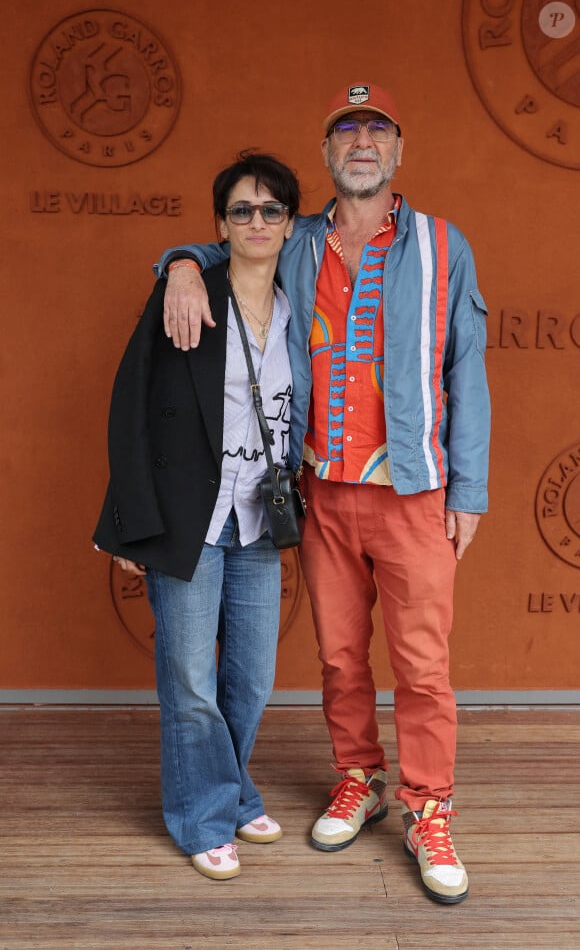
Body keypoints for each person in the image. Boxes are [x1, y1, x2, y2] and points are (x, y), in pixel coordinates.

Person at [152, 82, 491, 904]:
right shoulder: (296, 240)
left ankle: (428, 806)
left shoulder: (445, 246)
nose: (363, 143)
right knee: (339, 656)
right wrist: (178, 268)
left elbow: (467, 370)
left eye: (378, 130)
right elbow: (224, 244)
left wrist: (470, 488)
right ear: (328, 154)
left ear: (399, 150)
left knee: (420, 661)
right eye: (347, 132)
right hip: (320, 490)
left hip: (413, 488)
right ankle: (360, 779)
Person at [93, 152, 300, 881]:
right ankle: (202, 816)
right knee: (188, 677)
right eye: (241, 210)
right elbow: (132, 404)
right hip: (189, 516)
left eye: (271, 210)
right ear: (221, 224)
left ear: (290, 223)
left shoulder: (299, 304)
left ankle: (233, 787)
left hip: (258, 520)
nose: (257, 222)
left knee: (252, 678)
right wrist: (129, 518)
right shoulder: (187, 294)